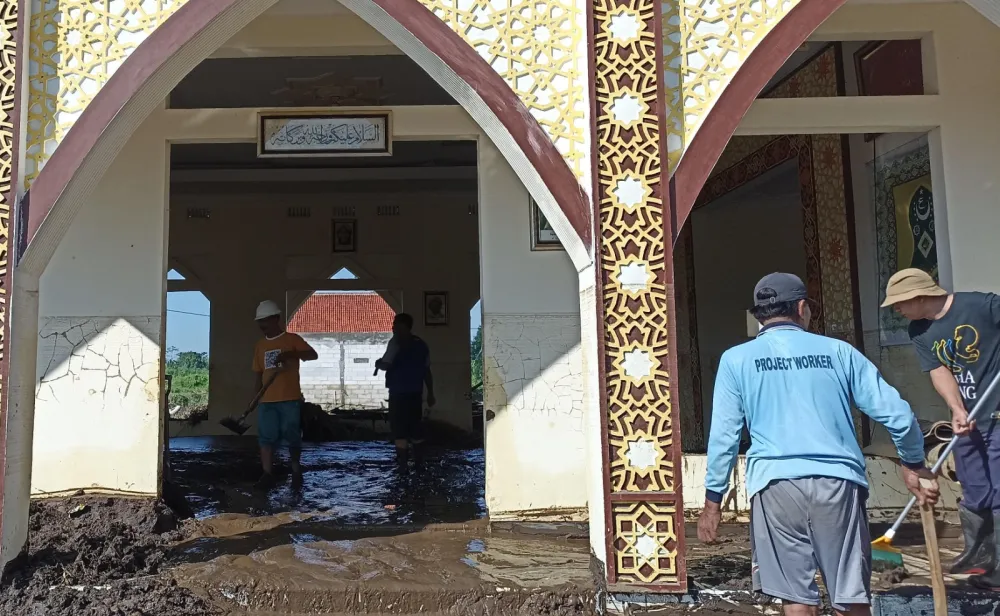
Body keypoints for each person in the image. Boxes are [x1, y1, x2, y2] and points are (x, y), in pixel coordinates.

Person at [699, 273, 939, 616]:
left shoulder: (735, 360)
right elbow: (899, 416)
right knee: (851, 595)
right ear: (801, 308)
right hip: (838, 483)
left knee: (796, 598)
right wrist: (913, 464)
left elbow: (724, 437)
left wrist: (713, 501)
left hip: (775, 485)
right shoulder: (839, 352)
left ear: (759, 316)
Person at [882, 268, 1000, 588]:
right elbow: (939, 370)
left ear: (919, 296)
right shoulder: (919, 330)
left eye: (900, 303)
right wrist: (957, 408)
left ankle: (999, 566)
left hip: (998, 414)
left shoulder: (983, 306)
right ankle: (978, 552)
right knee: (974, 488)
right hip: (968, 421)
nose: (897, 309)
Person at [252, 300, 318, 487]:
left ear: (276, 319)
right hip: (267, 400)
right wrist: (255, 397)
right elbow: (258, 373)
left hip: (290, 398)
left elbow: (313, 355)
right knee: (266, 437)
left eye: (265, 321)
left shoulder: (292, 340)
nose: (262, 325)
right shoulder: (260, 345)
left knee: (292, 435)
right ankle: (267, 473)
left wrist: (291, 355)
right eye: (259, 322)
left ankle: (296, 468)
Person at [375, 313, 435, 453]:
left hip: (398, 394)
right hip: (415, 394)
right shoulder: (421, 344)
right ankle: (418, 464)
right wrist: (431, 393)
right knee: (415, 428)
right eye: (394, 326)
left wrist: (378, 363)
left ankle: (402, 466)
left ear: (406, 328)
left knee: (400, 430)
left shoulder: (395, 343)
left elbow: (386, 365)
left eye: (397, 327)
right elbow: (426, 371)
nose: (394, 329)